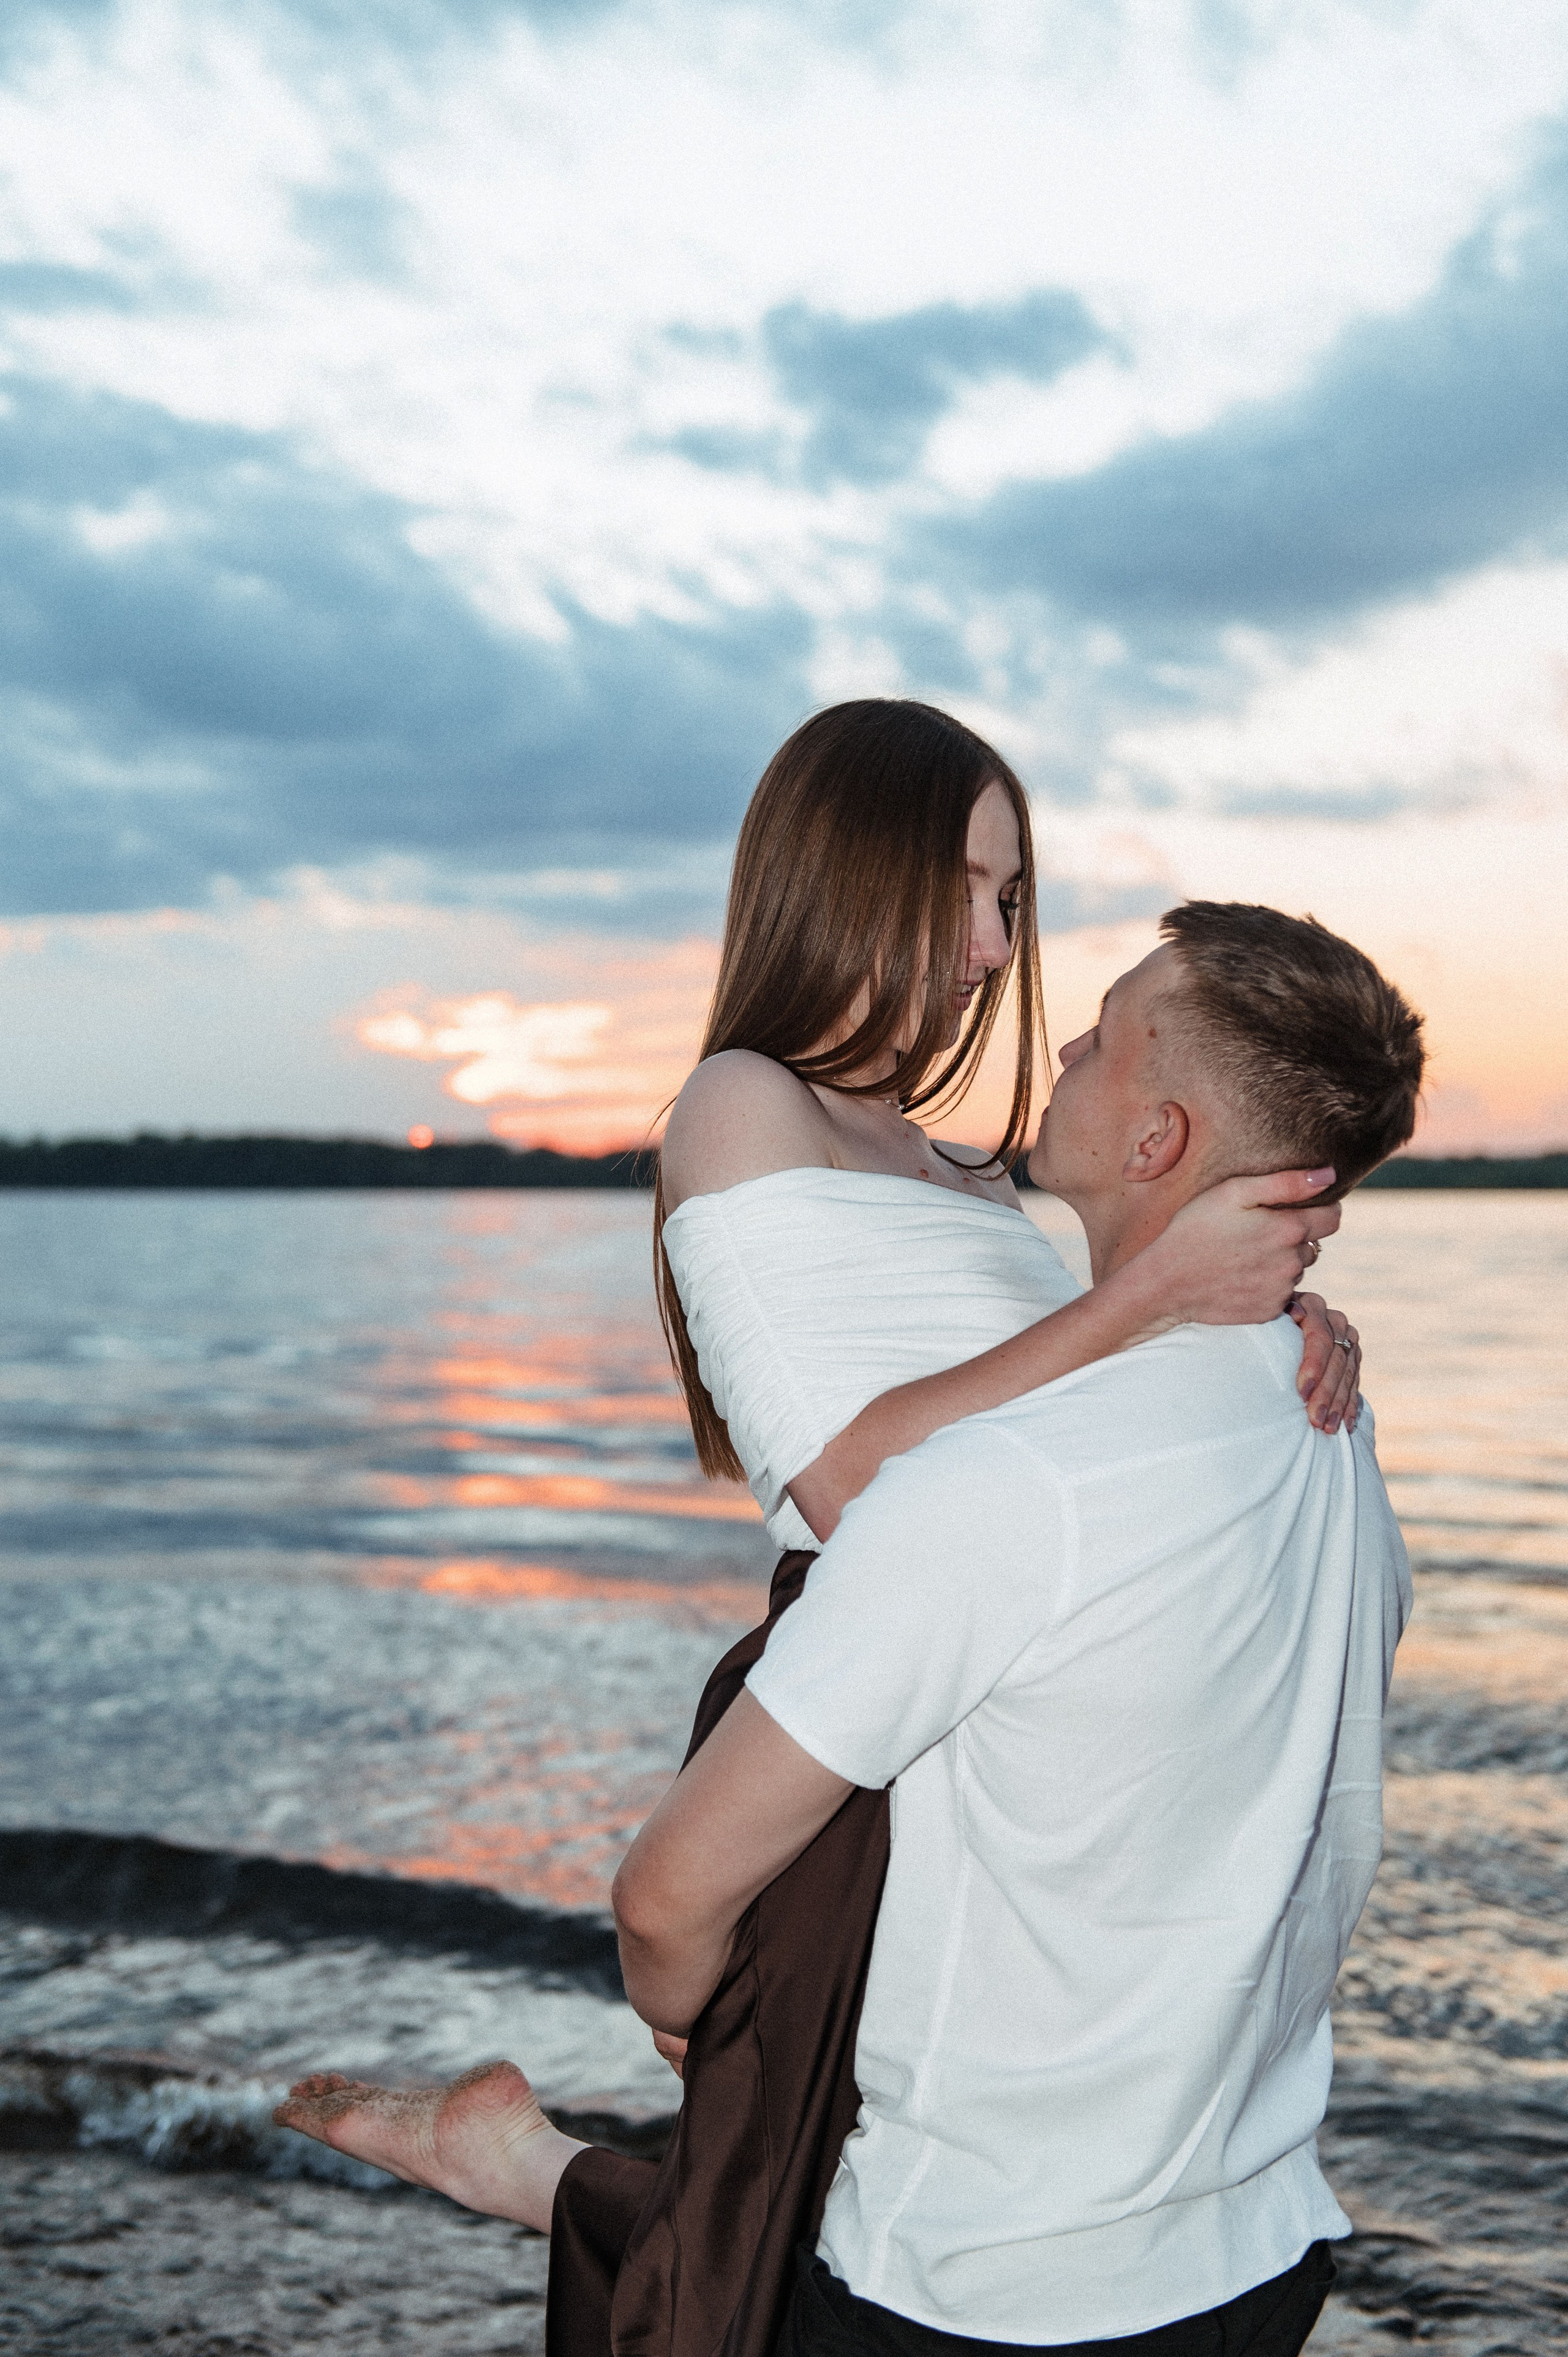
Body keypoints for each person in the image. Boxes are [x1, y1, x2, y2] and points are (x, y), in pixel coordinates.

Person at [275, 705, 1360, 2356]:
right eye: (976, 893)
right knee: (777, 2248)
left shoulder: (954, 1167)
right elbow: (855, 1485)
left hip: (969, 1719)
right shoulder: (738, 1104)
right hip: (851, 1717)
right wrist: (1146, 1292)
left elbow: (1082, 1427)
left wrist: (1274, 1320)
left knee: (790, 2217)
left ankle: (519, 2163)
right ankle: (516, 2164)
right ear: (855, 876)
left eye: (1016, 900)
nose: (1003, 950)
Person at [612, 900, 1422, 2357]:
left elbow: (666, 1900)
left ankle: (529, 2177)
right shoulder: (1333, 1437)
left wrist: (694, 2016)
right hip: (1255, 2247)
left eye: (1103, 1036)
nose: (1053, 1036)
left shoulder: (1001, 1487)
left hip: (987, 2290)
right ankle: (526, 2176)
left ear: (1157, 1140)